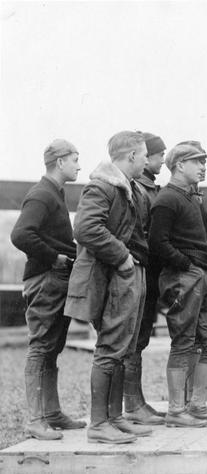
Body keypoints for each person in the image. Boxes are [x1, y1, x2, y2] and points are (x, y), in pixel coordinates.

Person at [65, 130, 152, 444]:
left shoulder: (127, 188)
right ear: (131, 156)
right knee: (110, 348)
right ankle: (99, 424)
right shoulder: (102, 186)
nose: (146, 160)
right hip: (110, 278)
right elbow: (85, 228)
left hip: (122, 277)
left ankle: (114, 418)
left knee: (122, 347)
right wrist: (123, 257)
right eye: (143, 155)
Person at [10, 139, 86, 440]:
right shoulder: (41, 194)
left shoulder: (55, 192)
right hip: (45, 280)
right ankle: (35, 419)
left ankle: (52, 414)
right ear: (60, 162)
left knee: (52, 348)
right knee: (41, 347)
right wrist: (53, 257)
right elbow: (20, 235)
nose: (79, 165)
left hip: (57, 280)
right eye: (75, 159)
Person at [149, 144, 207, 427]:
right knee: (183, 342)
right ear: (179, 165)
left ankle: (197, 406)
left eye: (203, 162)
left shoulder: (191, 199)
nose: (203, 166)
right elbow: (158, 243)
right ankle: (176, 411)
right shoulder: (167, 199)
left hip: (202, 275)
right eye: (197, 162)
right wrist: (185, 264)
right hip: (184, 277)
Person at [124, 132, 167, 425]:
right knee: (132, 340)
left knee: (140, 339)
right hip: (138, 273)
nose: (162, 160)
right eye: (158, 155)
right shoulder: (138, 188)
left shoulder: (152, 187)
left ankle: (136, 401)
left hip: (151, 276)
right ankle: (132, 404)